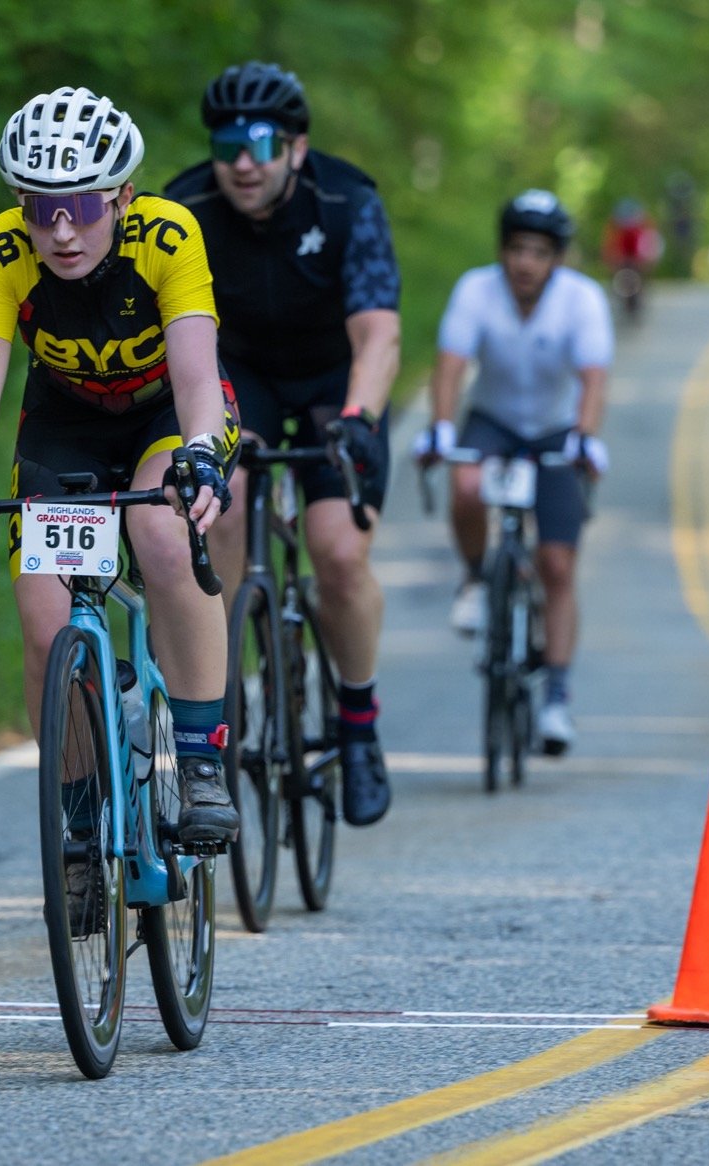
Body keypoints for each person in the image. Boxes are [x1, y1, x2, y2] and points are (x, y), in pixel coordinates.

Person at [0, 86, 241, 845]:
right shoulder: (2, 250)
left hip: (166, 416)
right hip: (66, 424)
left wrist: (202, 458)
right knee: (49, 627)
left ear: (121, 196)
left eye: (82, 207)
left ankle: (202, 757)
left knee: (159, 536)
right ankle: (82, 825)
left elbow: (195, 379)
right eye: (39, 205)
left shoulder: (168, 235)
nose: (60, 230)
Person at [164, 61, 401, 827]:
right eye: (227, 142)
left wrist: (360, 417)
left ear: (296, 149)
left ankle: (358, 726)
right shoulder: (185, 207)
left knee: (337, 551)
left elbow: (379, 332)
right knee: (221, 503)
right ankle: (220, 695)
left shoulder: (348, 201)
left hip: (334, 378)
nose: (242, 161)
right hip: (242, 378)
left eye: (260, 143)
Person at [412, 190, 612, 755]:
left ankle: (556, 695)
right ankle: (477, 577)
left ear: (558, 259)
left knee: (556, 563)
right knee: (468, 483)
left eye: (540, 252)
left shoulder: (582, 299)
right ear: (502, 252)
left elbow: (594, 377)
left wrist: (585, 438)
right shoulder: (476, 290)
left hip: (555, 429)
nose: (526, 262)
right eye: (517, 249)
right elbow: (450, 366)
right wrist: (442, 428)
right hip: (494, 420)